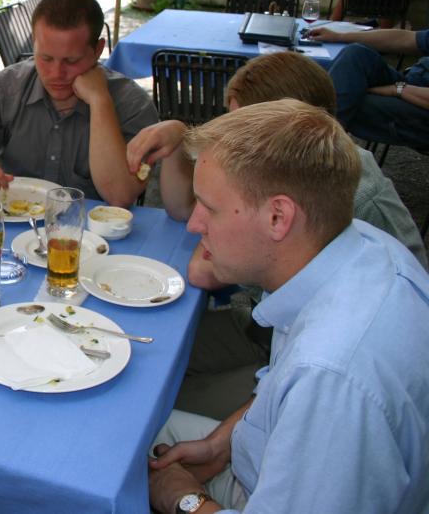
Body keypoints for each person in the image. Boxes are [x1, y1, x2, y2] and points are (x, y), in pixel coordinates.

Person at [147, 100, 429, 514]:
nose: (194, 224)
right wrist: (223, 443)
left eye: (210, 207)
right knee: (130, 427)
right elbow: (280, 389)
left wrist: (185, 500)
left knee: (115, 452)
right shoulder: (362, 245)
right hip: (270, 461)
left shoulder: (329, 377)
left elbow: (317, 387)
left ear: (278, 217)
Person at [127, 51, 427, 419]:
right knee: (143, 358)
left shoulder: (351, 206)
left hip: (293, 359)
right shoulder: (311, 175)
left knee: (152, 399)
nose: (233, 139)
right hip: (267, 327)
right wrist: (180, 139)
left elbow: (202, 271)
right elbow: (187, 212)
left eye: (243, 129)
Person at [0, 0, 157, 206]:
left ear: (98, 50)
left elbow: (121, 196)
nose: (56, 73)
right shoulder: (7, 87)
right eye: (46, 58)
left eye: (71, 61)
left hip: (91, 225)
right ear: (34, 42)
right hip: (13, 219)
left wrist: (100, 102)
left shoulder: (132, 104)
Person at [308, 25, 429, 150]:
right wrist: (338, 36)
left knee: (351, 99)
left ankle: (316, 147)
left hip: (422, 106)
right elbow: (406, 39)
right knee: (354, 54)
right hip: (414, 82)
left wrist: (398, 89)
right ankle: (316, 139)